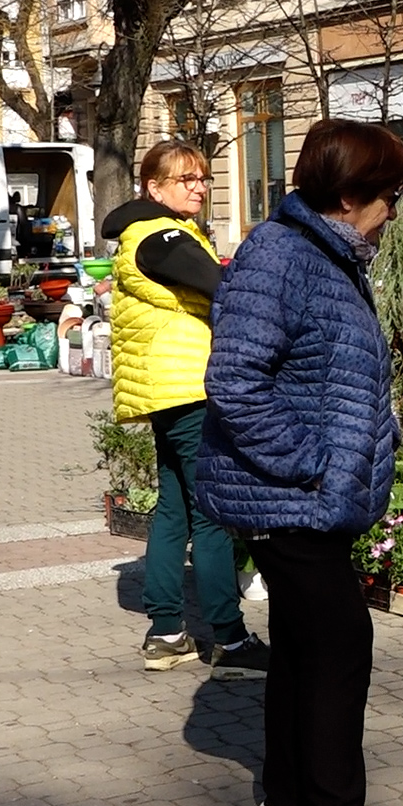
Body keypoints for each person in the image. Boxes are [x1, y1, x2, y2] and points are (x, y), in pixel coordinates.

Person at [197, 119, 403, 806]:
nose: (394, 211)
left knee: (300, 647)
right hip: (286, 496)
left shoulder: (328, 255)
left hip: (312, 497)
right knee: (341, 644)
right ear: (349, 195)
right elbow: (235, 380)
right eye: (389, 195)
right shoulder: (281, 253)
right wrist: (311, 463)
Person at [103, 140, 267, 679]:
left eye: (202, 178)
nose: (198, 187)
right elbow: (225, 287)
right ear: (154, 187)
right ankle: (230, 639)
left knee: (174, 508)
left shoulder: (147, 233)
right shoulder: (162, 236)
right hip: (188, 389)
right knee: (212, 514)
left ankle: (167, 634)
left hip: (165, 391)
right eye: (185, 179)